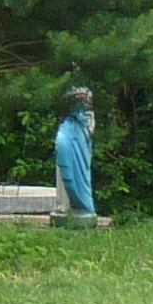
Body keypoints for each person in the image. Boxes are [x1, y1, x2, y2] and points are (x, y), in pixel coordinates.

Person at [55, 86, 102, 221]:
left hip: (80, 136)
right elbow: (60, 102)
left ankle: (82, 205)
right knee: (63, 158)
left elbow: (89, 122)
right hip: (68, 130)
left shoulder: (87, 108)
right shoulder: (63, 81)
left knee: (80, 171)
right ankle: (64, 205)